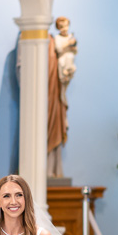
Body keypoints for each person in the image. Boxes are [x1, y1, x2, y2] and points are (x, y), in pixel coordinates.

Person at [47, 16, 77, 178]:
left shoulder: (60, 40)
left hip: (59, 88)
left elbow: (73, 49)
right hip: (49, 92)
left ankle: (54, 168)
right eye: (62, 26)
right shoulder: (54, 41)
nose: (64, 28)